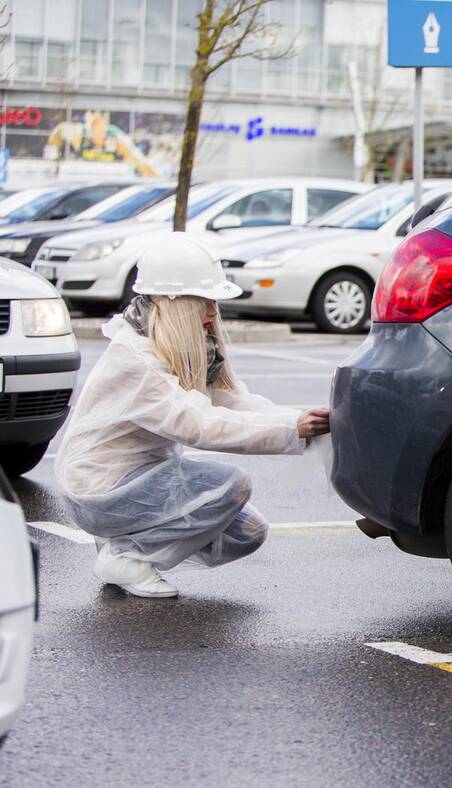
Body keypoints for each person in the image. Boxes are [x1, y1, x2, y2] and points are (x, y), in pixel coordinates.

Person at [55, 233, 331, 598]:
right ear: (176, 303)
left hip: (137, 481)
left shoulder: (179, 345)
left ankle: (125, 543)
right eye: (204, 302)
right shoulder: (136, 360)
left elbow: (231, 402)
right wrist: (291, 428)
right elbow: (199, 424)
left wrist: (298, 420)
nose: (213, 312)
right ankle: (125, 555)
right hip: (100, 490)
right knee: (230, 485)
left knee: (246, 532)